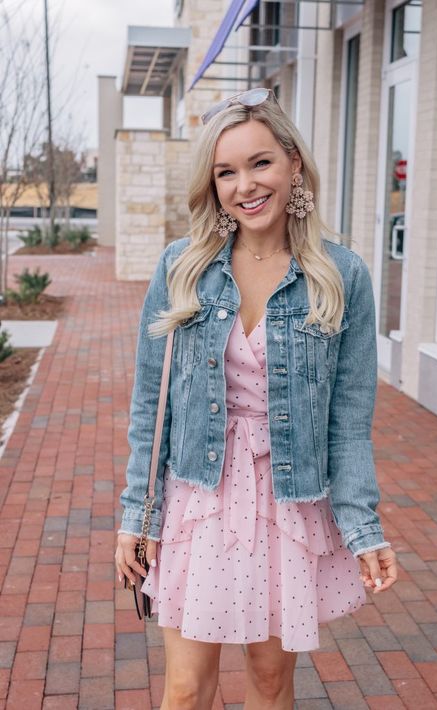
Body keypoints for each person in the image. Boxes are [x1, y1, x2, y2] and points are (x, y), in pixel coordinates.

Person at [115, 87, 398, 710]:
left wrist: (364, 529)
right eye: (226, 172)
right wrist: (137, 515)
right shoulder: (182, 267)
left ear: (293, 162)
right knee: (186, 691)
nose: (246, 184)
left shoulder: (341, 275)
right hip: (199, 496)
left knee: (271, 685)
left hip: (287, 502)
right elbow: (149, 407)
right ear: (212, 184)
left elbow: (349, 423)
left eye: (260, 162)